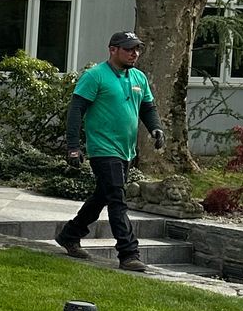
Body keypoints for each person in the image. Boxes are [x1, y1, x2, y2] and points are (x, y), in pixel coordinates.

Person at [56, 31, 163, 272]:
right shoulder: (95, 76)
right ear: (112, 49)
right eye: (128, 49)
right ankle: (128, 253)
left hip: (126, 151)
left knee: (102, 196)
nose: (134, 53)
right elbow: (76, 111)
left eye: (137, 49)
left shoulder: (139, 78)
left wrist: (156, 128)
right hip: (103, 149)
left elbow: (148, 108)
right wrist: (73, 147)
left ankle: (70, 234)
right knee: (117, 199)